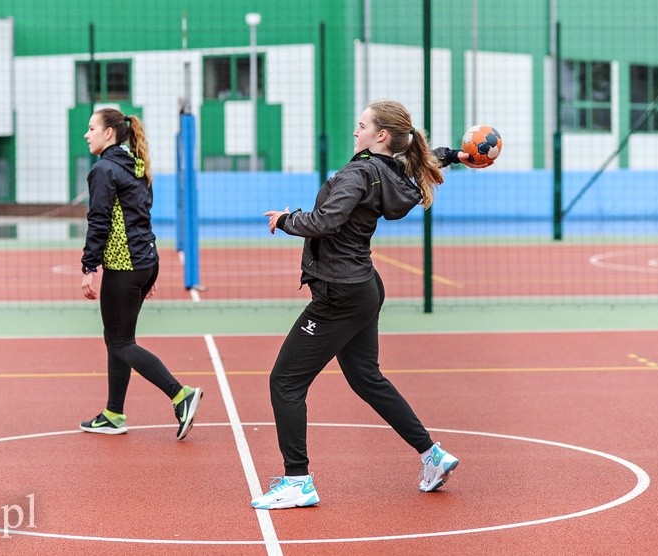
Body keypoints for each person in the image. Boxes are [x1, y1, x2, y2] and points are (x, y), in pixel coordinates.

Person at [252, 100, 486, 510]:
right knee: (366, 378)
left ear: (381, 136)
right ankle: (432, 455)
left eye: (361, 125)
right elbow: (419, 163)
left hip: (340, 294)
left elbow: (325, 221)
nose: (355, 131)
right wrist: (453, 156)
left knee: (285, 381)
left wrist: (286, 220)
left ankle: (297, 480)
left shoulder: (360, 173)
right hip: (363, 287)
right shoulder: (390, 172)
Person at [79, 107, 202, 440]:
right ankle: (113, 413)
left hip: (126, 266)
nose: (86, 134)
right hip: (145, 261)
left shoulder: (104, 170)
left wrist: (89, 266)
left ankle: (181, 395)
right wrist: (148, 268)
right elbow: (141, 218)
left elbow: (99, 220)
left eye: (91, 128)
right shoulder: (135, 165)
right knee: (119, 340)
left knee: (119, 341)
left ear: (109, 133)